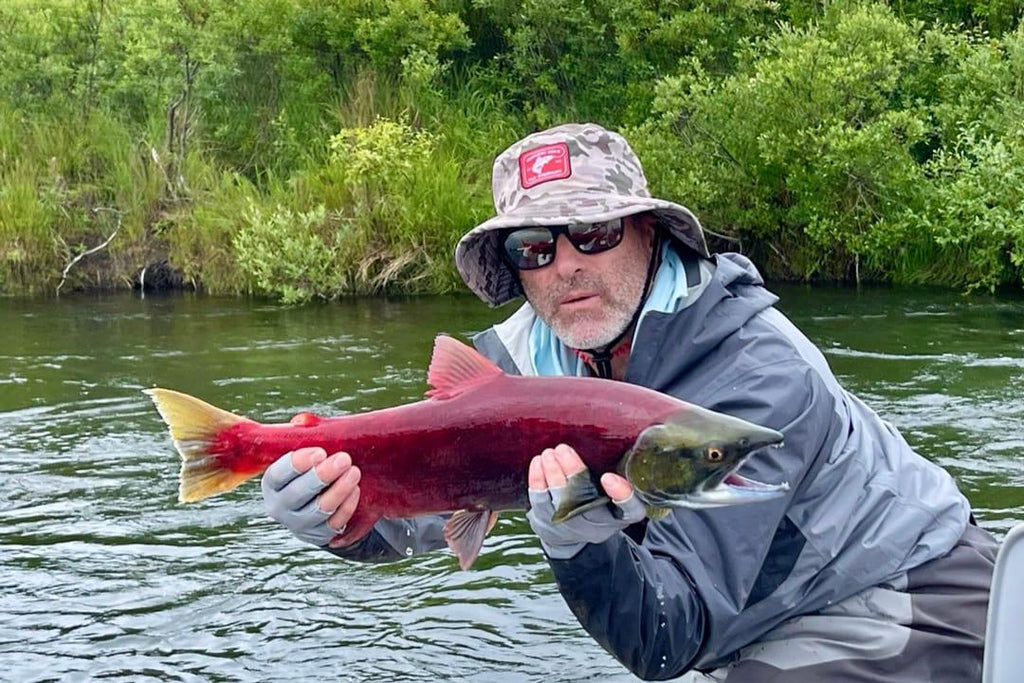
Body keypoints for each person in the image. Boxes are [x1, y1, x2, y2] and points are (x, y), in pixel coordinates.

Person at [261, 123, 998, 681]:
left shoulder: (759, 375)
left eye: (593, 232)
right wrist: (339, 516)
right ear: (514, 265)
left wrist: (577, 545)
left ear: (648, 232)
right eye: (534, 246)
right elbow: (420, 513)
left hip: (907, 598)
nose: (567, 266)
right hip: (752, 626)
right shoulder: (517, 361)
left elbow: (672, 631)